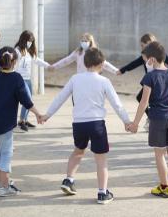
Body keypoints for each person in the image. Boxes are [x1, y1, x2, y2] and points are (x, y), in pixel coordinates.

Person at [42, 48, 131, 205]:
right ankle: (102, 193)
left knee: (78, 152)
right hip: (97, 123)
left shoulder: (75, 79)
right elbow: (117, 104)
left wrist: (47, 115)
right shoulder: (104, 81)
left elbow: (60, 97)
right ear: (102, 64)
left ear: (84, 62)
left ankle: (68, 180)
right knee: (101, 159)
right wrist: (127, 121)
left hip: (79, 124)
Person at [0, 47, 44, 197]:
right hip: (4, 125)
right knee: (6, 154)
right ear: (14, 61)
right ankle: (4, 186)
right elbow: (26, 101)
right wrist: (39, 114)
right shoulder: (16, 79)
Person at [128, 42, 168, 198]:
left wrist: (135, 123)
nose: (146, 62)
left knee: (160, 154)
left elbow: (144, 101)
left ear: (152, 60)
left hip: (158, 118)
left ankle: (164, 187)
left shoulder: (150, 77)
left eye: (146, 59)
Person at [117, 33, 168, 131]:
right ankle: (152, 118)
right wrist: (122, 70)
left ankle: (156, 119)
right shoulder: (145, 56)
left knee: (150, 100)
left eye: (145, 45)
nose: (143, 48)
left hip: (159, 82)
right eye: (142, 46)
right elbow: (133, 64)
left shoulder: (161, 54)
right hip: (149, 82)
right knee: (140, 98)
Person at [14, 30, 52, 132]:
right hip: (20, 79)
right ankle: (21, 121)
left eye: (32, 41)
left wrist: (49, 66)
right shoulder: (17, 50)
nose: (30, 42)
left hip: (28, 79)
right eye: (28, 40)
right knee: (28, 100)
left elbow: (37, 60)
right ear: (23, 39)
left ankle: (25, 120)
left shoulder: (29, 51)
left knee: (29, 100)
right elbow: (14, 65)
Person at [51, 33, 119, 75]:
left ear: (90, 42)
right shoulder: (78, 52)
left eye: (86, 41)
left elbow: (104, 64)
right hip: (80, 77)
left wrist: (115, 71)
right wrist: (54, 66)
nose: (83, 42)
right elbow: (66, 61)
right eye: (82, 41)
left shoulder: (95, 52)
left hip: (92, 78)